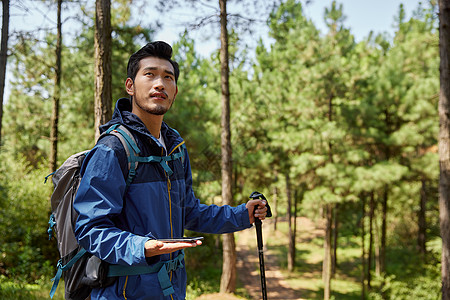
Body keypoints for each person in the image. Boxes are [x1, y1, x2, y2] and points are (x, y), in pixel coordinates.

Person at [74, 41, 268, 300]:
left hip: (172, 290)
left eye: (168, 77)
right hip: (123, 293)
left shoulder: (175, 149)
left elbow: (189, 211)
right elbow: (90, 228)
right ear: (130, 86)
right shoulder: (113, 150)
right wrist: (141, 247)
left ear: (175, 91)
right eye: (150, 74)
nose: (159, 84)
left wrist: (243, 215)